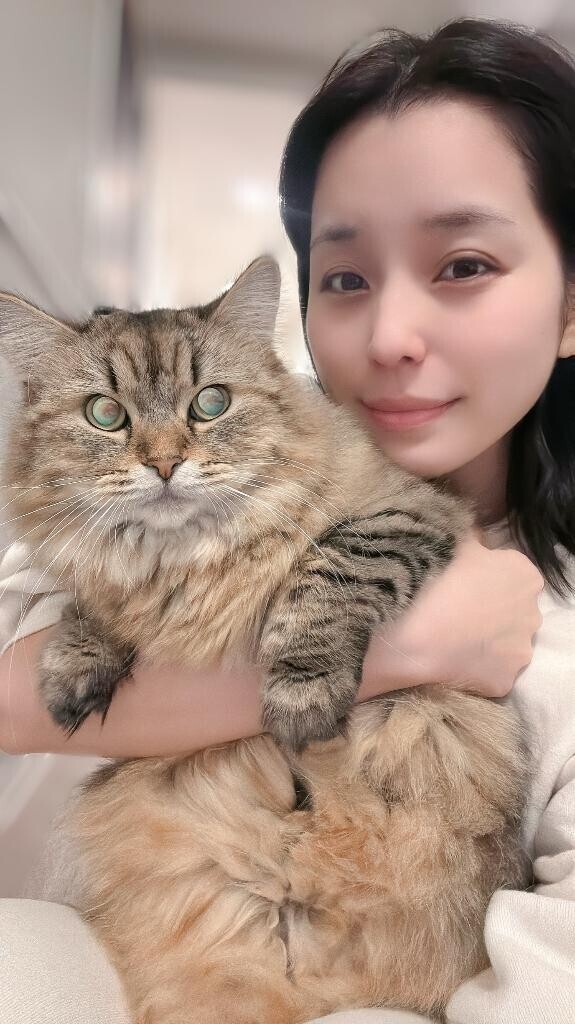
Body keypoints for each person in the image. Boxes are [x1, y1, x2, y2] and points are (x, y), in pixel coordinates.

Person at [0, 14, 573, 1024]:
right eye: (343, 278)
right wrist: (404, 648)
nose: (391, 337)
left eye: (462, 265)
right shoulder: (137, 516)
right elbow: (16, 692)